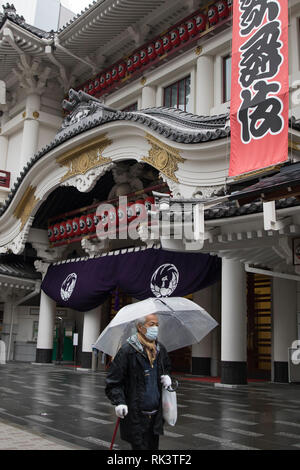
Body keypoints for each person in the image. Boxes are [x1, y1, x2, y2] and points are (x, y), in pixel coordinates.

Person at [105, 313, 172, 450]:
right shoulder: (127, 351)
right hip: (136, 415)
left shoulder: (160, 350)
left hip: (156, 415)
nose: (156, 328)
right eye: (151, 324)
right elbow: (113, 382)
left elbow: (167, 369)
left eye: (157, 325)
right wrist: (119, 402)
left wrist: (168, 378)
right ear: (140, 327)